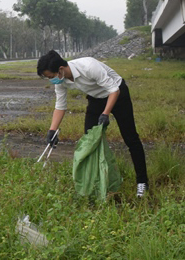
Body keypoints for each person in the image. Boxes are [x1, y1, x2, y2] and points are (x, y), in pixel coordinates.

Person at [37, 50, 148, 197]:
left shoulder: (89, 66)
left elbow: (114, 90)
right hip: (96, 98)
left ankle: (142, 182)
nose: (51, 80)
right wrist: (52, 130)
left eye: (51, 76)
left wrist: (105, 113)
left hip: (117, 93)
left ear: (60, 70)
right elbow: (60, 105)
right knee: (89, 140)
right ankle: (94, 182)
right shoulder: (61, 80)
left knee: (130, 138)